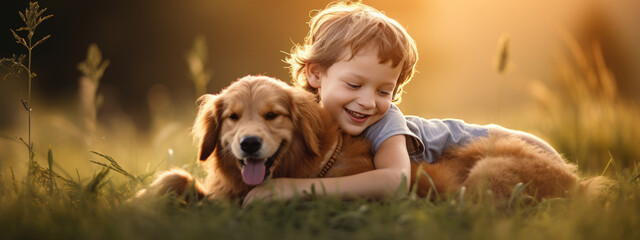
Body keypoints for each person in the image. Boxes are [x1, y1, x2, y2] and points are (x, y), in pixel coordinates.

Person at [243, 1, 560, 206]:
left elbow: (395, 181)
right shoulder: (304, 113)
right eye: (354, 84)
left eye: (384, 91)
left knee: (478, 202)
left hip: (510, 149)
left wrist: (293, 189)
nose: (368, 102)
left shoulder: (385, 122)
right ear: (315, 74)